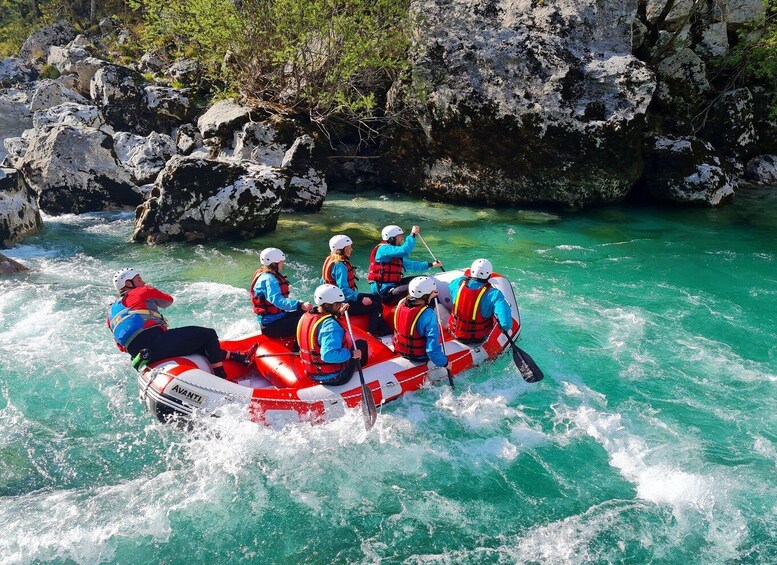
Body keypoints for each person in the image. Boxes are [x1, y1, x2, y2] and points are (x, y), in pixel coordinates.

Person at [107, 268, 254, 379]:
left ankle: (239, 357)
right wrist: (149, 289)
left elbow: (121, 346)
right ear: (128, 283)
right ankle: (221, 376)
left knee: (195, 343)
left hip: (141, 355)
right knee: (209, 334)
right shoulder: (143, 291)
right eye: (139, 280)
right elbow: (168, 301)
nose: (143, 282)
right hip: (157, 344)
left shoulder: (110, 313)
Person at [297, 284, 369, 385]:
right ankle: (365, 370)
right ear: (327, 305)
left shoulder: (307, 316)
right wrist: (352, 354)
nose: (340, 305)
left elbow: (324, 320)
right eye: (337, 304)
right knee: (361, 344)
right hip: (335, 376)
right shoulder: (331, 326)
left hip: (312, 373)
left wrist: (338, 312)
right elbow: (328, 355)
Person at [322, 234, 390, 336]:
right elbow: (344, 290)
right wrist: (360, 298)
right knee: (376, 304)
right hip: (343, 303)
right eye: (349, 248)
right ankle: (372, 332)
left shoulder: (330, 260)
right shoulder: (340, 265)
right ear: (342, 250)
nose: (351, 250)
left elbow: (323, 282)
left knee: (376, 296)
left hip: (337, 300)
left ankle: (383, 328)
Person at [367, 225, 442, 302]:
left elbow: (411, 265)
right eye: (399, 236)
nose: (402, 238)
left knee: (425, 279)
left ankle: (436, 307)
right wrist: (412, 234)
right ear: (392, 238)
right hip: (384, 292)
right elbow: (405, 250)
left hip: (395, 286)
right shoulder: (383, 249)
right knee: (421, 287)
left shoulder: (394, 253)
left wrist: (431, 265)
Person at [250, 247, 313, 338]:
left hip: (278, 317)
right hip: (271, 325)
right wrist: (299, 305)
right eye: (281, 263)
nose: (282, 265)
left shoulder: (264, 273)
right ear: (273, 264)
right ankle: (297, 348)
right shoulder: (269, 279)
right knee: (308, 320)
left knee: (309, 312)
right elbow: (278, 301)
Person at [448, 259, 513, 343]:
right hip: (479, 338)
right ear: (489, 276)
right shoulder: (495, 294)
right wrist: (504, 328)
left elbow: (450, 286)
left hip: (453, 331)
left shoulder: (458, 283)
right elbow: (506, 324)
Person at [392, 276, 450, 370]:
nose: (435, 293)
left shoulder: (401, 302)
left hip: (400, 350)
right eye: (433, 292)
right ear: (426, 295)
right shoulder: (428, 314)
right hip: (419, 356)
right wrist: (445, 363)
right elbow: (432, 349)